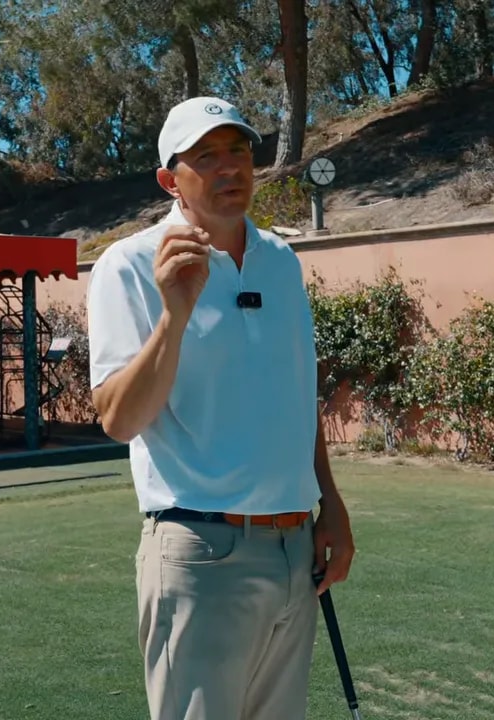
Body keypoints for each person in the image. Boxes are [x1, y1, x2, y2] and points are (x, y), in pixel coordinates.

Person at [86, 95, 356, 720]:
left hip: (295, 550)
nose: (230, 167)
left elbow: (296, 394)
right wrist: (173, 318)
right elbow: (119, 419)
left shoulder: (282, 261)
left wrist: (330, 504)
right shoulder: (127, 266)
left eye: (239, 151)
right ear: (169, 179)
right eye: (206, 156)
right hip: (199, 553)